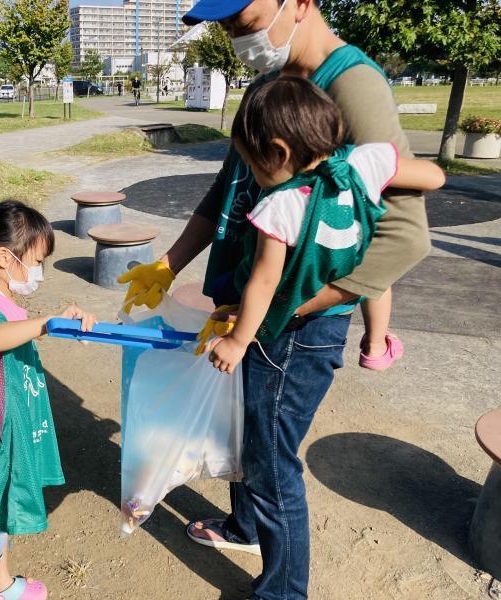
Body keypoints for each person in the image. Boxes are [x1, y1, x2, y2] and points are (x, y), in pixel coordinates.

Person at [117, 0, 432, 598]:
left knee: (269, 457)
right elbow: (225, 190)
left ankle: (284, 589)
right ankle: (244, 524)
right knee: (244, 427)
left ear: (302, 5)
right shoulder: (267, 83)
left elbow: (404, 236)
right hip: (249, 307)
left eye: (243, 17)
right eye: (225, 23)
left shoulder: (352, 85)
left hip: (299, 323)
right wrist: (168, 263)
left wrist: (290, 308)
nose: (235, 34)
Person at [204, 76, 444, 374]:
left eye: (251, 164)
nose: (252, 175)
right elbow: (435, 177)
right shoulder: (363, 162)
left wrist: (238, 341)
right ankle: (377, 345)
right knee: (380, 286)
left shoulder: (278, 206)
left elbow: (265, 281)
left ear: (280, 153)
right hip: (343, 282)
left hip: (290, 303)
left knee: (225, 287)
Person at [0, 201, 96, 600]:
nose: (39, 272)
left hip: (2, 435)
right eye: (37, 261)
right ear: (2, 257)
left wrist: (56, 320)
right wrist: (45, 324)